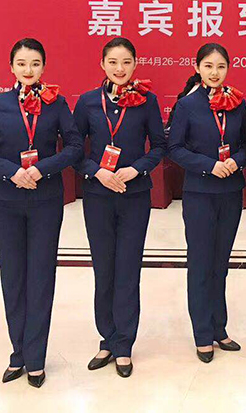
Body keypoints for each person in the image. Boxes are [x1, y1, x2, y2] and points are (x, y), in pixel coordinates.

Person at [0, 38, 83, 388]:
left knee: (41, 276)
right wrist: (11, 172)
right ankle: (18, 352)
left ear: (43, 67)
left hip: (46, 199)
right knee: (13, 275)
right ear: (11, 67)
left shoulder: (56, 103)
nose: (28, 69)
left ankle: (36, 358)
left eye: (34, 63)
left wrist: (42, 169)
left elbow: (75, 146)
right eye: (21, 63)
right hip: (6, 200)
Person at [72, 37, 166, 378]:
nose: (120, 68)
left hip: (134, 194)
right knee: (104, 267)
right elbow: (73, 149)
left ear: (135, 64)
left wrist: (137, 168)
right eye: (113, 61)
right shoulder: (87, 102)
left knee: (127, 267)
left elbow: (159, 146)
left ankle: (124, 343)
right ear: (102, 64)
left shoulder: (147, 101)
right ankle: (107, 339)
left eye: (126, 61)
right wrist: (96, 171)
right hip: (98, 195)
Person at [168, 43, 246, 363]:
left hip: (230, 192)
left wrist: (237, 161)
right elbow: (174, 148)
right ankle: (202, 333)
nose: (215, 73)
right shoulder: (187, 105)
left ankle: (219, 328)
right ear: (197, 67)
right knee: (201, 264)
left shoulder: (237, 102)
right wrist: (208, 165)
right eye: (209, 66)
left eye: (221, 67)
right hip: (200, 193)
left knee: (221, 264)